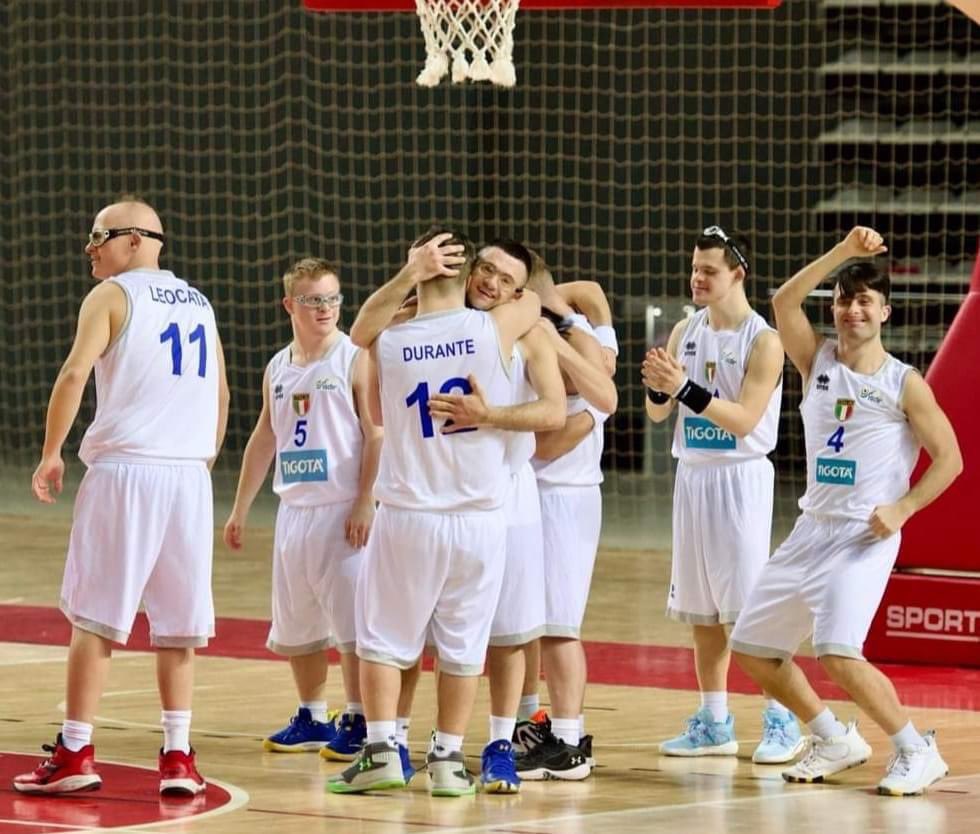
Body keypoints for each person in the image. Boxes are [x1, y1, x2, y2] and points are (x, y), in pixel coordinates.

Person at [327, 228, 562, 797]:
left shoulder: (390, 337)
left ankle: (383, 747)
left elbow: (357, 330)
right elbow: (531, 301)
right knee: (463, 645)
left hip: (411, 511)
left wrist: (409, 273)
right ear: (467, 277)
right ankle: (450, 760)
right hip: (480, 518)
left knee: (383, 639)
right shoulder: (495, 326)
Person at [730, 226, 963, 795]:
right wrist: (843, 255)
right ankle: (833, 736)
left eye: (864, 300)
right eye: (843, 299)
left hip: (866, 534)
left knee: (836, 651)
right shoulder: (816, 361)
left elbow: (951, 459)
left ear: (884, 311)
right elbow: (783, 301)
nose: (852, 309)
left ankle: (915, 748)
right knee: (754, 650)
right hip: (812, 527)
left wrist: (904, 508)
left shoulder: (903, 383)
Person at [17, 197, 229, 796]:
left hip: (127, 472)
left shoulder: (113, 295)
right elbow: (222, 392)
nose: (91, 247)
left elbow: (72, 374)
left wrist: (52, 450)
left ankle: (76, 750)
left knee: (94, 618)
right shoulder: (201, 302)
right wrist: (200, 458)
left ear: (135, 240)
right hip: (188, 478)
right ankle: (178, 757)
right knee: (179, 626)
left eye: (99, 236)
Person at [642, 226, 803, 763]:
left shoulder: (765, 340)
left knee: (747, 613)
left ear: (737, 274)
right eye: (694, 267)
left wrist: (683, 386)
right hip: (693, 476)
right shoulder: (684, 329)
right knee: (703, 613)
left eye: (708, 269)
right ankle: (714, 722)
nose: (696, 277)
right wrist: (657, 384)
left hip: (740, 478)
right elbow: (659, 412)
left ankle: (783, 722)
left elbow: (743, 420)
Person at [222, 258, 382, 763]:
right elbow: (265, 437)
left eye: (333, 298)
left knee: (353, 625)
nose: (325, 309)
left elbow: (377, 434)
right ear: (290, 304)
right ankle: (312, 715)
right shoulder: (277, 366)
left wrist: (364, 500)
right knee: (297, 624)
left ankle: (357, 717)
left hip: (342, 511)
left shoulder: (354, 358)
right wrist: (240, 509)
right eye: (314, 300)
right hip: (294, 509)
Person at [512, 254, 618, 781]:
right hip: (528, 496)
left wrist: (551, 310)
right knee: (523, 625)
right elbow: (590, 289)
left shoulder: (580, 345)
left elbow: (554, 441)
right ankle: (531, 724)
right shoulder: (542, 326)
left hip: (565, 498)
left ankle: (571, 740)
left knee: (557, 626)